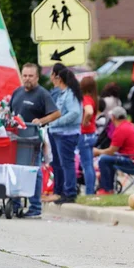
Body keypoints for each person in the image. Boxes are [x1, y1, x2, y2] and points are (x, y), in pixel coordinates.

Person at [9, 63, 61, 218]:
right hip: (17, 139)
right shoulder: (17, 92)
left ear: (37, 77)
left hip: (33, 140)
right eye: (24, 75)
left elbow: (57, 113)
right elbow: (10, 112)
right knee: (14, 172)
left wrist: (42, 120)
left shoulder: (42, 94)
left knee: (34, 172)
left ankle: (35, 207)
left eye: (30, 76)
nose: (27, 79)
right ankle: (15, 204)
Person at [93, 107, 134, 195]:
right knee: (108, 160)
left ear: (113, 117)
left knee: (104, 159)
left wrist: (97, 151)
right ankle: (108, 188)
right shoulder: (127, 125)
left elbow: (111, 151)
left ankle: (106, 189)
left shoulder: (121, 129)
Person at [48, 68, 82, 204]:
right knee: (64, 163)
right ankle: (66, 191)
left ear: (59, 79)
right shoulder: (64, 94)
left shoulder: (70, 95)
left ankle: (70, 192)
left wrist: (56, 121)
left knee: (67, 164)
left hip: (66, 134)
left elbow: (74, 113)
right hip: (60, 133)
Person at [78, 76, 98, 195]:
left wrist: (84, 121)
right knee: (89, 164)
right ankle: (91, 190)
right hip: (92, 133)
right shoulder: (93, 98)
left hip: (84, 134)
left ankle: (89, 192)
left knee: (87, 166)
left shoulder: (86, 99)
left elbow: (89, 111)